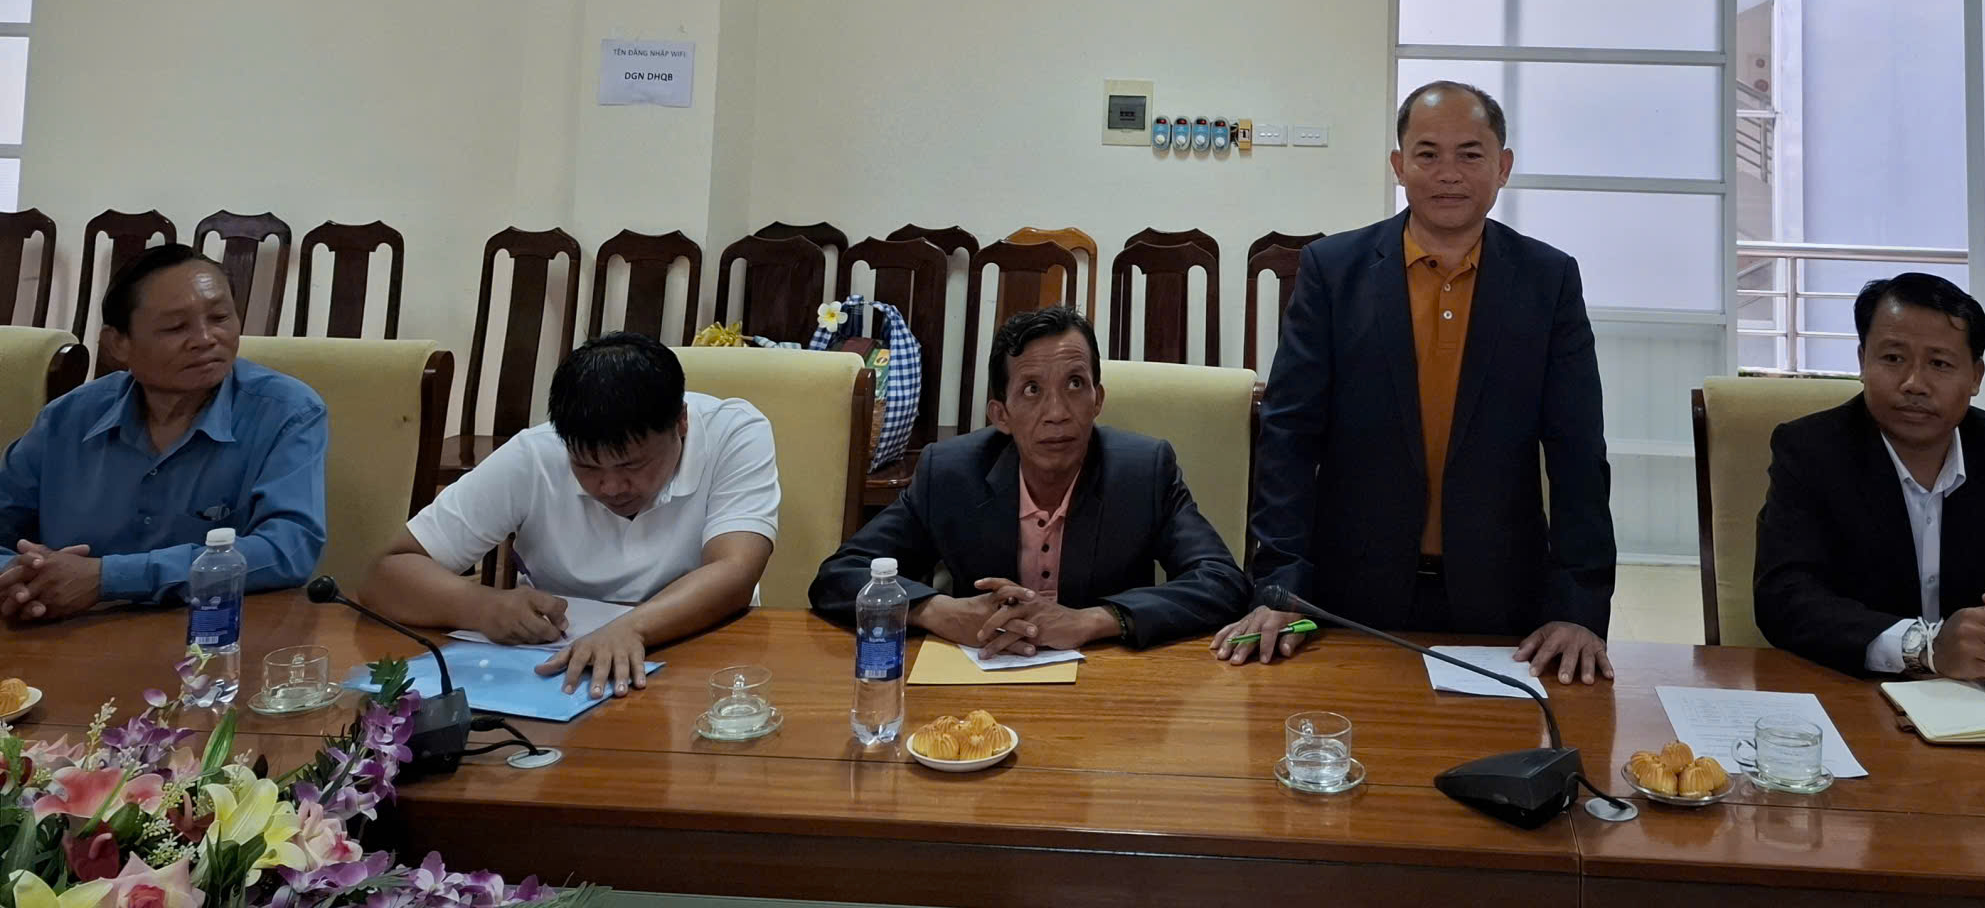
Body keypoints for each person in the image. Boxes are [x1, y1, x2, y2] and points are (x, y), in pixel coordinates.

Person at [1215, 81, 1615, 682]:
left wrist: (1577, 608)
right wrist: (1279, 586)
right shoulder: (1333, 272)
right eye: (1428, 154)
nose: (1448, 173)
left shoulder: (1548, 280)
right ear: (1399, 166)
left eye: (1470, 154)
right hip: (1345, 597)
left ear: (1503, 167)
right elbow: (1289, 438)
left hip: (1503, 601)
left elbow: (1578, 450)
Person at [1754, 271, 1985, 683]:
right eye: (1893, 358)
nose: (1914, 383)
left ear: (1976, 376)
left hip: (1978, 704)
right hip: (1850, 689)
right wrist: (1925, 647)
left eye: (1940, 364)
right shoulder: (1809, 450)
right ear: (1862, 361)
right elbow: (1784, 598)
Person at [809, 304, 1247, 649]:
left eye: (1075, 384)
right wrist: (937, 611)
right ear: (1001, 414)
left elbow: (1222, 582)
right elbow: (840, 575)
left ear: (1098, 399)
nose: (1057, 413)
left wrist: (1093, 620)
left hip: (1108, 687)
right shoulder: (950, 473)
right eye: (1032, 390)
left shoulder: (1143, 471)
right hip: (979, 684)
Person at [362, 331, 776, 695]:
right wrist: (480, 605)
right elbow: (386, 574)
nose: (610, 487)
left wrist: (631, 628)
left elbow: (734, 571)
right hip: (557, 673)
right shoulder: (535, 454)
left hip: (706, 656)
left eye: (632, 465)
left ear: (681, 422)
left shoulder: (733, 433)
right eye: (587, 467)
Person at [0, 243, 326, 620]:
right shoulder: (67, 420)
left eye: (220, 317)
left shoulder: (286, 412)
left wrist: (107, 579)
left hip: (215, 638)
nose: (205, 339)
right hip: (62, 633)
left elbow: (288, 550)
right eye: (176, 327)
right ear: (118, 344)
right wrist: (23, 576)